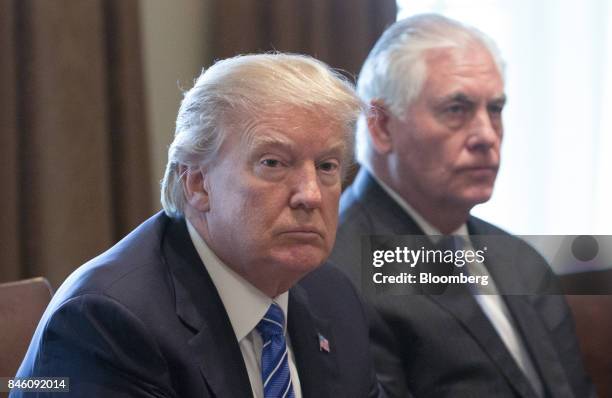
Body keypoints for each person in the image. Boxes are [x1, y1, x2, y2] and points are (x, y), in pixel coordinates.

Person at [13, 53, 384, 398]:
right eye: (273, 163)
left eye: (327, 167)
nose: (311, 195)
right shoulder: (109, 322)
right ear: (197, 184)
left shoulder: (332, 296)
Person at [329, 14, 595, 398]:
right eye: (457, 109)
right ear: (382, 126)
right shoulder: (337, 276)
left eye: (496, 109)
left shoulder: (519, 258)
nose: (487, 136)